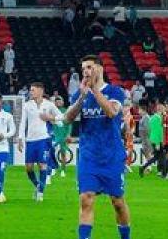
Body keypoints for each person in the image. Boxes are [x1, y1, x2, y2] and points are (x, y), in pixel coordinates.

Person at [62, 55, 130, 239]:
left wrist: (94, 91)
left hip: (112, 156)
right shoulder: (80, 93)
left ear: (100, 69)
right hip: (88, 156)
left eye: (90, 67)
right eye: (83, 68)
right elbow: (66, 119)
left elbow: (111, 112)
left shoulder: (115, 92)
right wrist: (81, 98)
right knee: (86, 199)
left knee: (117, 201)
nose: (86, 71)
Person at [18, 82, 63, 202]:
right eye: (31, 90)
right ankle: (38, 185)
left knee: (42, 165)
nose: (30, 92)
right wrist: (20, 138)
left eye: (33, 90)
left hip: (43, 139)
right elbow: (23, 122)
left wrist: (51, 118)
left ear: (40, 91)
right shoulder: (27, 105)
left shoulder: (49, 105)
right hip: (30, 140)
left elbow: (62, 117)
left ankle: (40, 193)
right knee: (29, 168)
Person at [51, 96, 72, 178]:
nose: (58, 103)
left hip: (63, 135)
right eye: (57, 101)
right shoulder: (52, 111)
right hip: (55, 135)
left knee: (63, 153)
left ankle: (63, 170)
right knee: (50, 152)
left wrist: (68, 134)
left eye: (60, 101)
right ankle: (53, 167)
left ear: (63, 102)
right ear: (55, 103)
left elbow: (69, 123)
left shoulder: (66, 111)